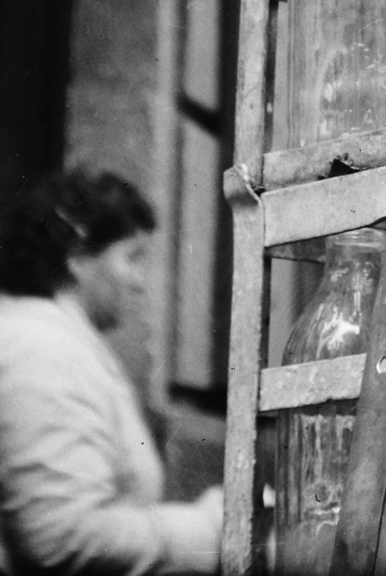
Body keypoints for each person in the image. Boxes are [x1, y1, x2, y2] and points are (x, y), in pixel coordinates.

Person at [0, 169, 222, 574]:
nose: (139, 283)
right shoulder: (41, 350)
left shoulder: (55, 340)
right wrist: (205, 528)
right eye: (131, 257)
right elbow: (60, 536)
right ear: (79, 257)